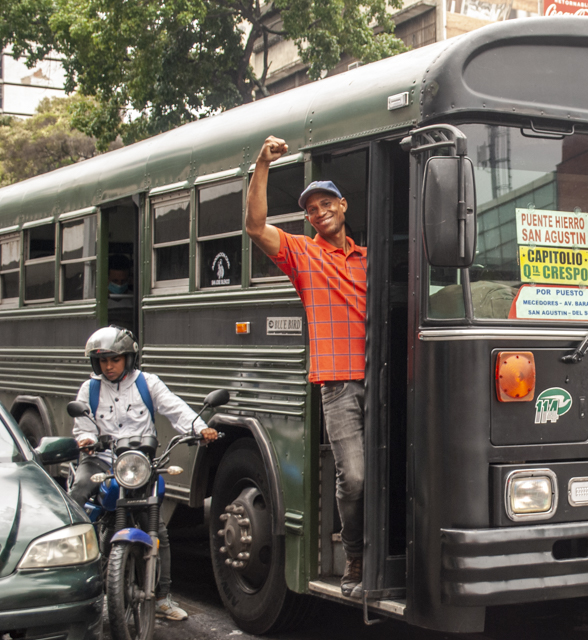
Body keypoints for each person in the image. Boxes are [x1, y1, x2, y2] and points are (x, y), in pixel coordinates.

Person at [245, 135, 368, 597]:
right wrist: (262, 164)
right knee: (353, 476)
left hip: (382, 377)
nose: (319, 213)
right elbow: (255, 226)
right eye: (311, 209)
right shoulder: (304, 254)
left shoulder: (368, 260)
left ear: (343, 205)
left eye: (325, 204)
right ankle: (354, 556)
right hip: (337, 382)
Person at [70, 325, 218, 621]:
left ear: (129, 358)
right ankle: (73, 579)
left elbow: (174, 408)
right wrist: (85, 439)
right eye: (103, 361)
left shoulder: (147, 383)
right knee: (76, 497)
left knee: (159, 529)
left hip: (140, 464)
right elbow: (83, 425)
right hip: (102, 460)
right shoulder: (91, 388)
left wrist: (200, 428)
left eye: (114, 359)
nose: (108, 367)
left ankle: (162, 597)